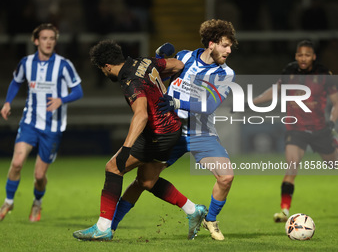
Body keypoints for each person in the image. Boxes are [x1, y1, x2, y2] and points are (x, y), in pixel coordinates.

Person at [110, 19, 237, 241]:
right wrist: (159, 58)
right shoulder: (185, 57)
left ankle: (211, 219)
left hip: (201, 134)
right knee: (143, 181)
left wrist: (178, 104)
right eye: (225, 45)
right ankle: (110, 226)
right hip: (170, 131)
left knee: (226, 177)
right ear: (211, 44)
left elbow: (209, 105)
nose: (229, 50)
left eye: (230, 46)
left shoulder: (225, 73)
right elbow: (156, 77)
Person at [73, 40, 207, 241]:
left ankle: (103, 228)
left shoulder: (129, 81)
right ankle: (193, 210)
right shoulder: (144, 62)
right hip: (173, 129)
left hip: (157, 133)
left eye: (102, 70)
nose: (104, 73)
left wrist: (126, 148)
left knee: (113, 168)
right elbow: (178, 65)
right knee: (146, 180)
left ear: (107, 66)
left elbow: (141, 115)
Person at [0, 23, 83, 222]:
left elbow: (78, 91)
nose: (48, 42)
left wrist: (61, 100)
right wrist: (8, 102)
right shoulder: (26, 63)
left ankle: (37, 203)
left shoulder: (63, 65)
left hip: (52, 128)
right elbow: (16, 81)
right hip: (29, 122)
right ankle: (8, 202)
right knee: (17, 162)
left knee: (39, 176)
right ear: (36, 41)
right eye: (44, 38)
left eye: (52, 38)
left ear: (55, 42)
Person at [252, 40, 338, 222]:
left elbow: (337, 102)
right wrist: (254, 101)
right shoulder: (288, 72)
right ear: (296, 56)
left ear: (313, 57)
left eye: (307, 55)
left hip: (319, 129)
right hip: (296, 128)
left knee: (334, 164)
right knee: (291, 166)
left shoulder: (324, 74)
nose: (303, 58)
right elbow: (275, 90)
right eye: (300, 55)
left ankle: (335, 145)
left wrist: (332, 121)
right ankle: (284, 211)